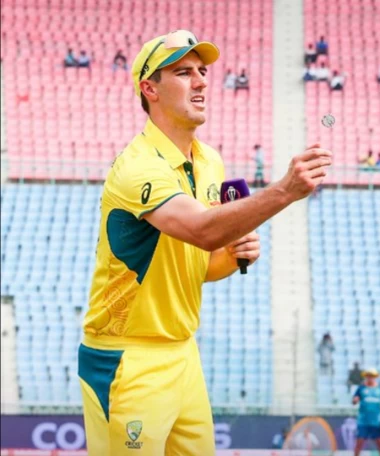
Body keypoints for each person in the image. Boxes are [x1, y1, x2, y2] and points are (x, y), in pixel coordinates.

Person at [79, 30, 331, 454]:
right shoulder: (138, 166)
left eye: (202, 71)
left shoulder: (209, 160)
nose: (201, 82)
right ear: (149, 89)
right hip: (127, 357)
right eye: (183, 73)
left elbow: (200, 263)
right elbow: (202, 229)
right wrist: (284, 191)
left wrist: (231, 257)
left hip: (183, 353)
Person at [352, 369, 380, 456]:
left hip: (376, 421)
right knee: (359, 441)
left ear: (375, 377)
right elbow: (355, 399)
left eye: (372, 376)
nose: (370, 378)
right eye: (368, 376)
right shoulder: (361, 388)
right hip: (363, 420)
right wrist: (355, 400)